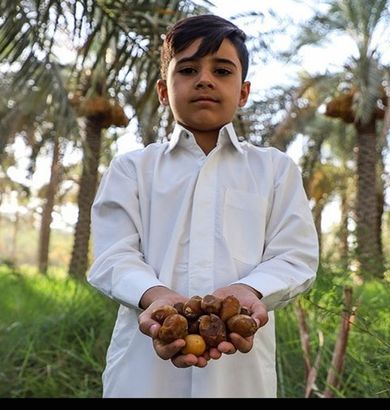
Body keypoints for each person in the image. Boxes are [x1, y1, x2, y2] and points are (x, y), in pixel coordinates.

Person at [88, 14, 319, 398]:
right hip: (142, 376)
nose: (205, 80)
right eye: (189, 69)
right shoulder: (132, 169)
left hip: (240, 379)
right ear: (164, 91)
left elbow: (294, 256)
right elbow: (114, 256)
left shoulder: (275, 170)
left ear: (243, 92)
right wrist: (156, 297)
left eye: (222, 70)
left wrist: (248, 292)